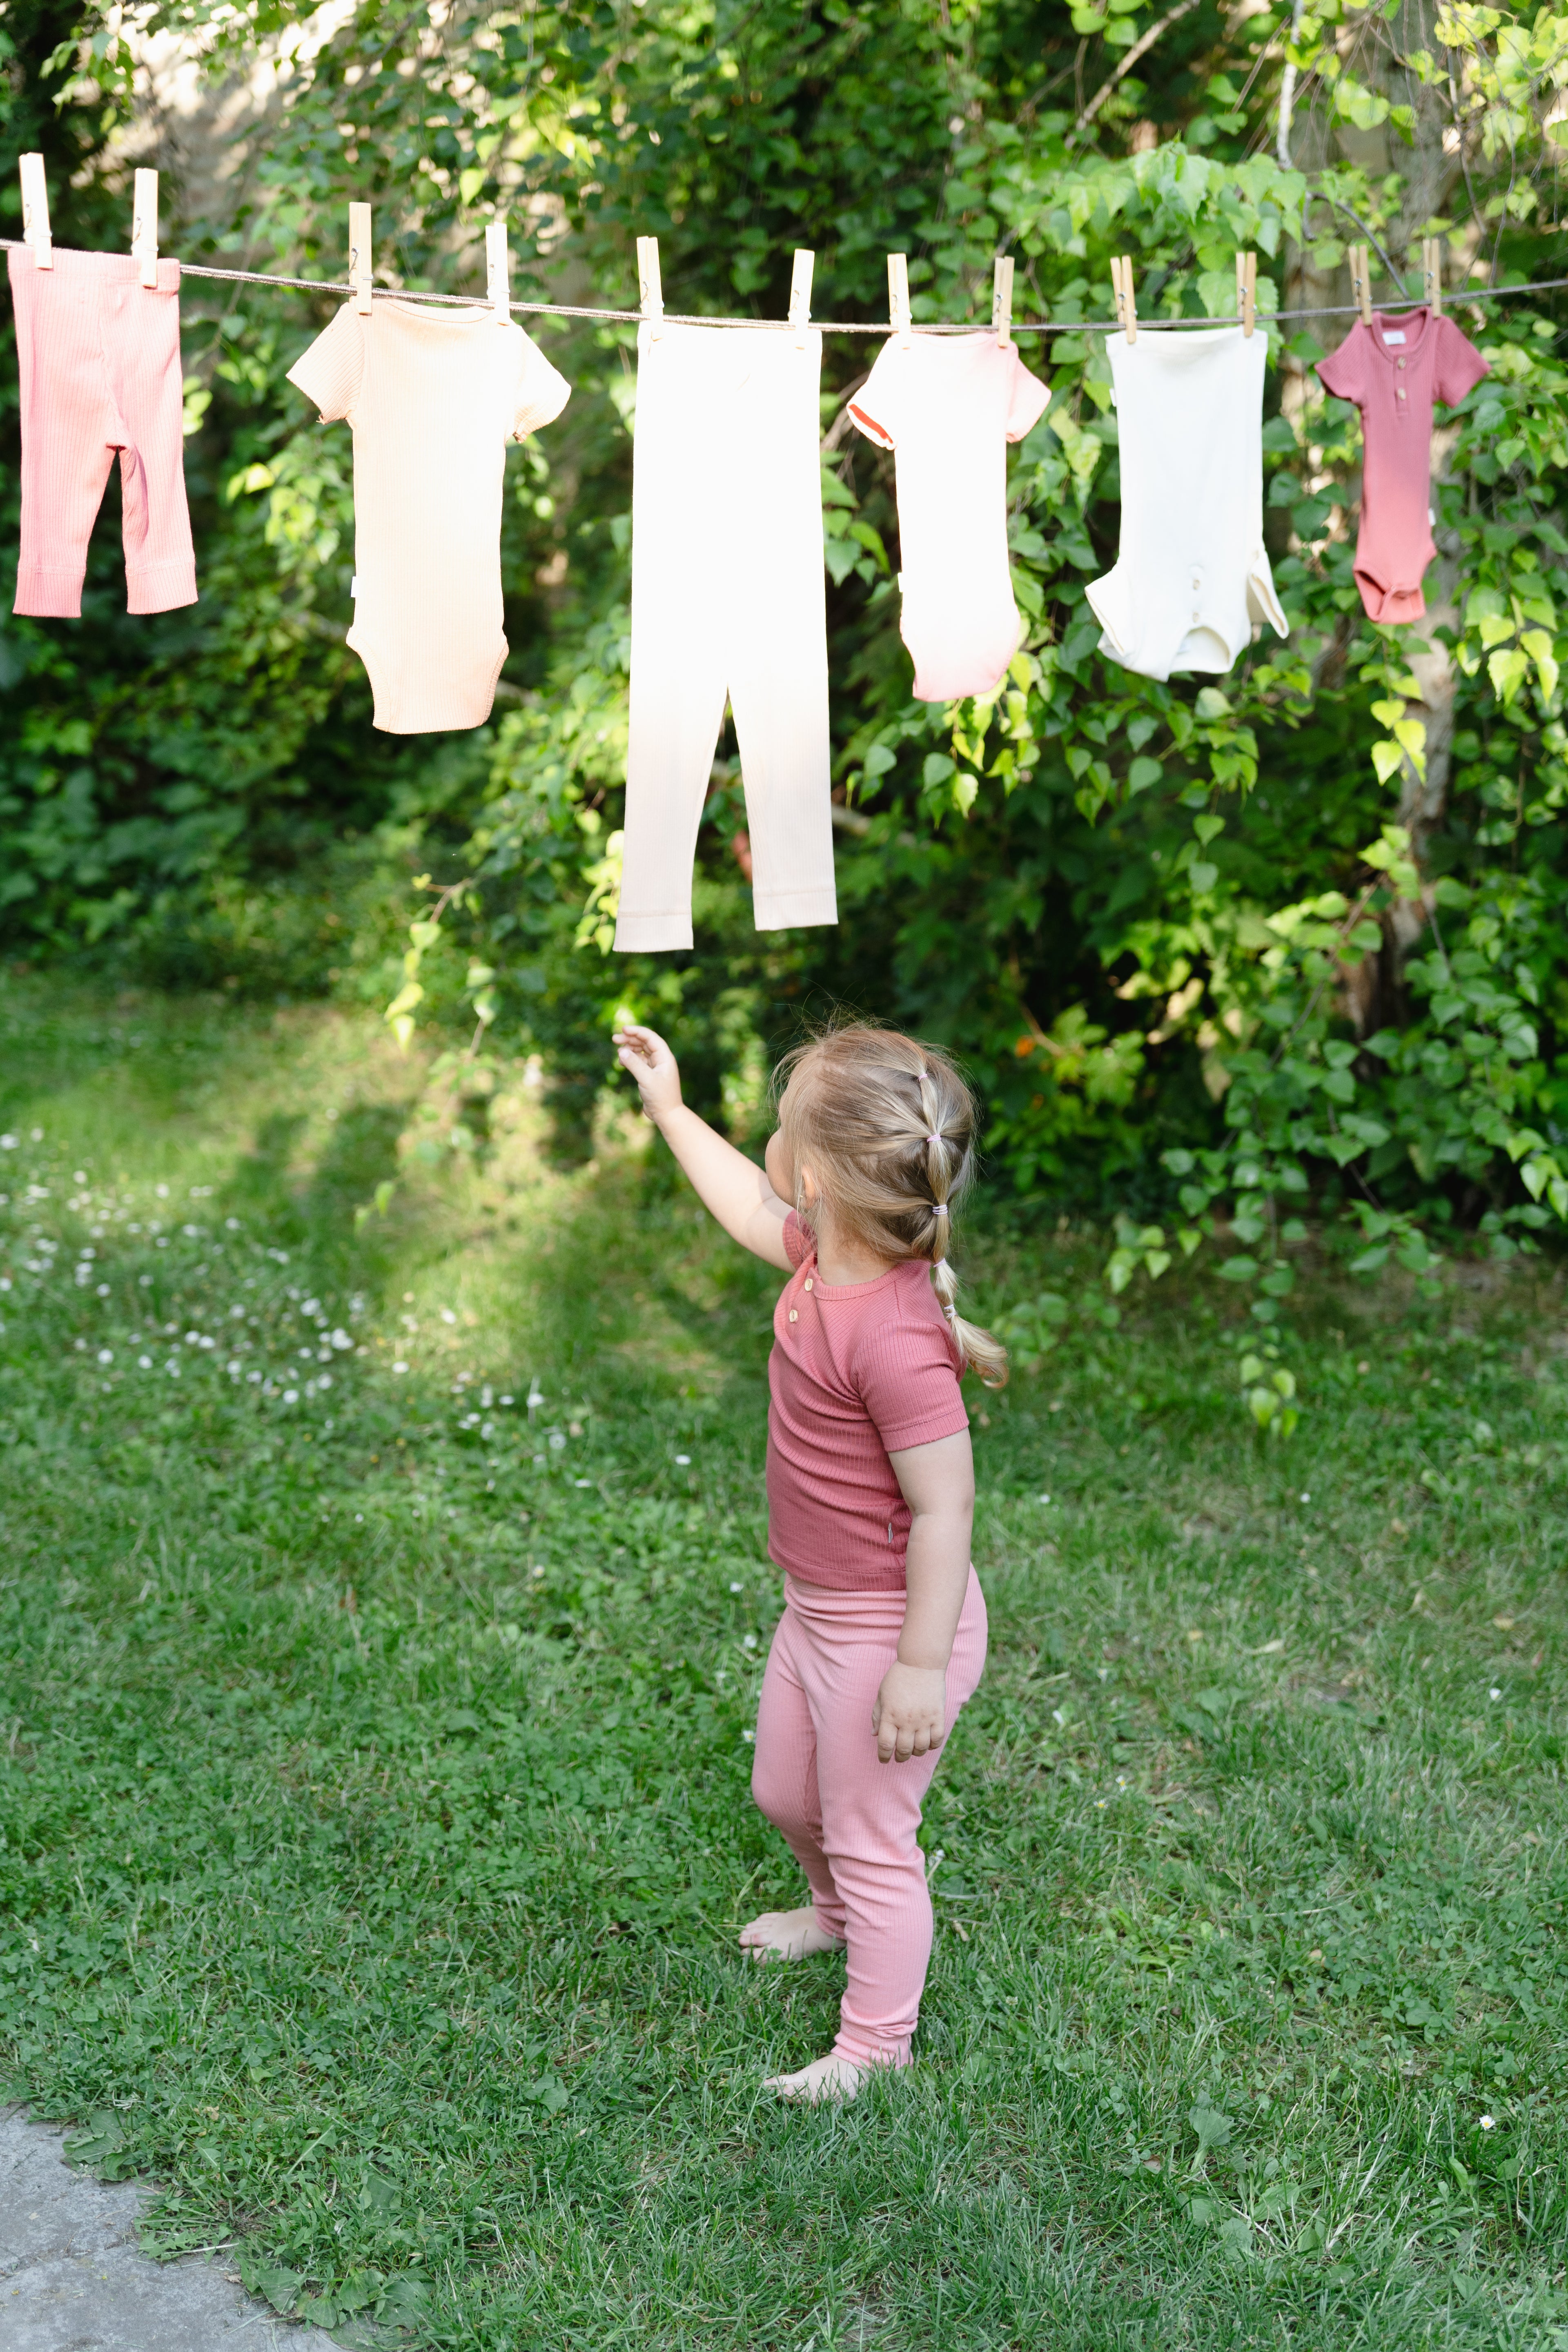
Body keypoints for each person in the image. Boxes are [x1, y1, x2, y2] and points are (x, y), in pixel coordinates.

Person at [612, 1018, 1007, 2103]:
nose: (771, 1144)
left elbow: (946, 1508)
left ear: (823, 1176)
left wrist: (919, 1668)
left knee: (873, 1836)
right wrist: (669, 1110)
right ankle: (833, 1915)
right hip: (817, 1611)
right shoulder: (823, 1257)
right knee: (784, 1793)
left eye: (782, 1127)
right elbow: (748, 1203)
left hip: (889, 1631)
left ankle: (877, 2047)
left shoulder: (890, 1334)